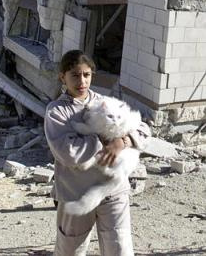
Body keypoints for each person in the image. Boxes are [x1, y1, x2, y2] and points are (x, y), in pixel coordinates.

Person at [44, 50, 151, 256]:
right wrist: (101, 139)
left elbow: (143, 129)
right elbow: (68, 153)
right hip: (76, 192)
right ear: (62, 77)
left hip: (113, 190)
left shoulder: (104, 103)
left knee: (119, 248)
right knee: (70, 250)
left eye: (86, 75)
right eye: (75, 75)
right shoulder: (57, 111)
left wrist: (123, 141)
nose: (81, 81)